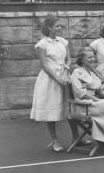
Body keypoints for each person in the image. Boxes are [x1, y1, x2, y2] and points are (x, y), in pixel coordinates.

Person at [31, 15, 82, 152]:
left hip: (64, 77)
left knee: (70, 108)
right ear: (49, 27)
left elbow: (69, 59)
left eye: (61, 26)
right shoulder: (42, 44)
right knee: (51, 111)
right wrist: (57, 77)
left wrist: (66, 67)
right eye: (57, 26)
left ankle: (77, 138)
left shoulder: (63, 42)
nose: (60, 28)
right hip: (50, 79)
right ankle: (55, 141)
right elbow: (44, 66)